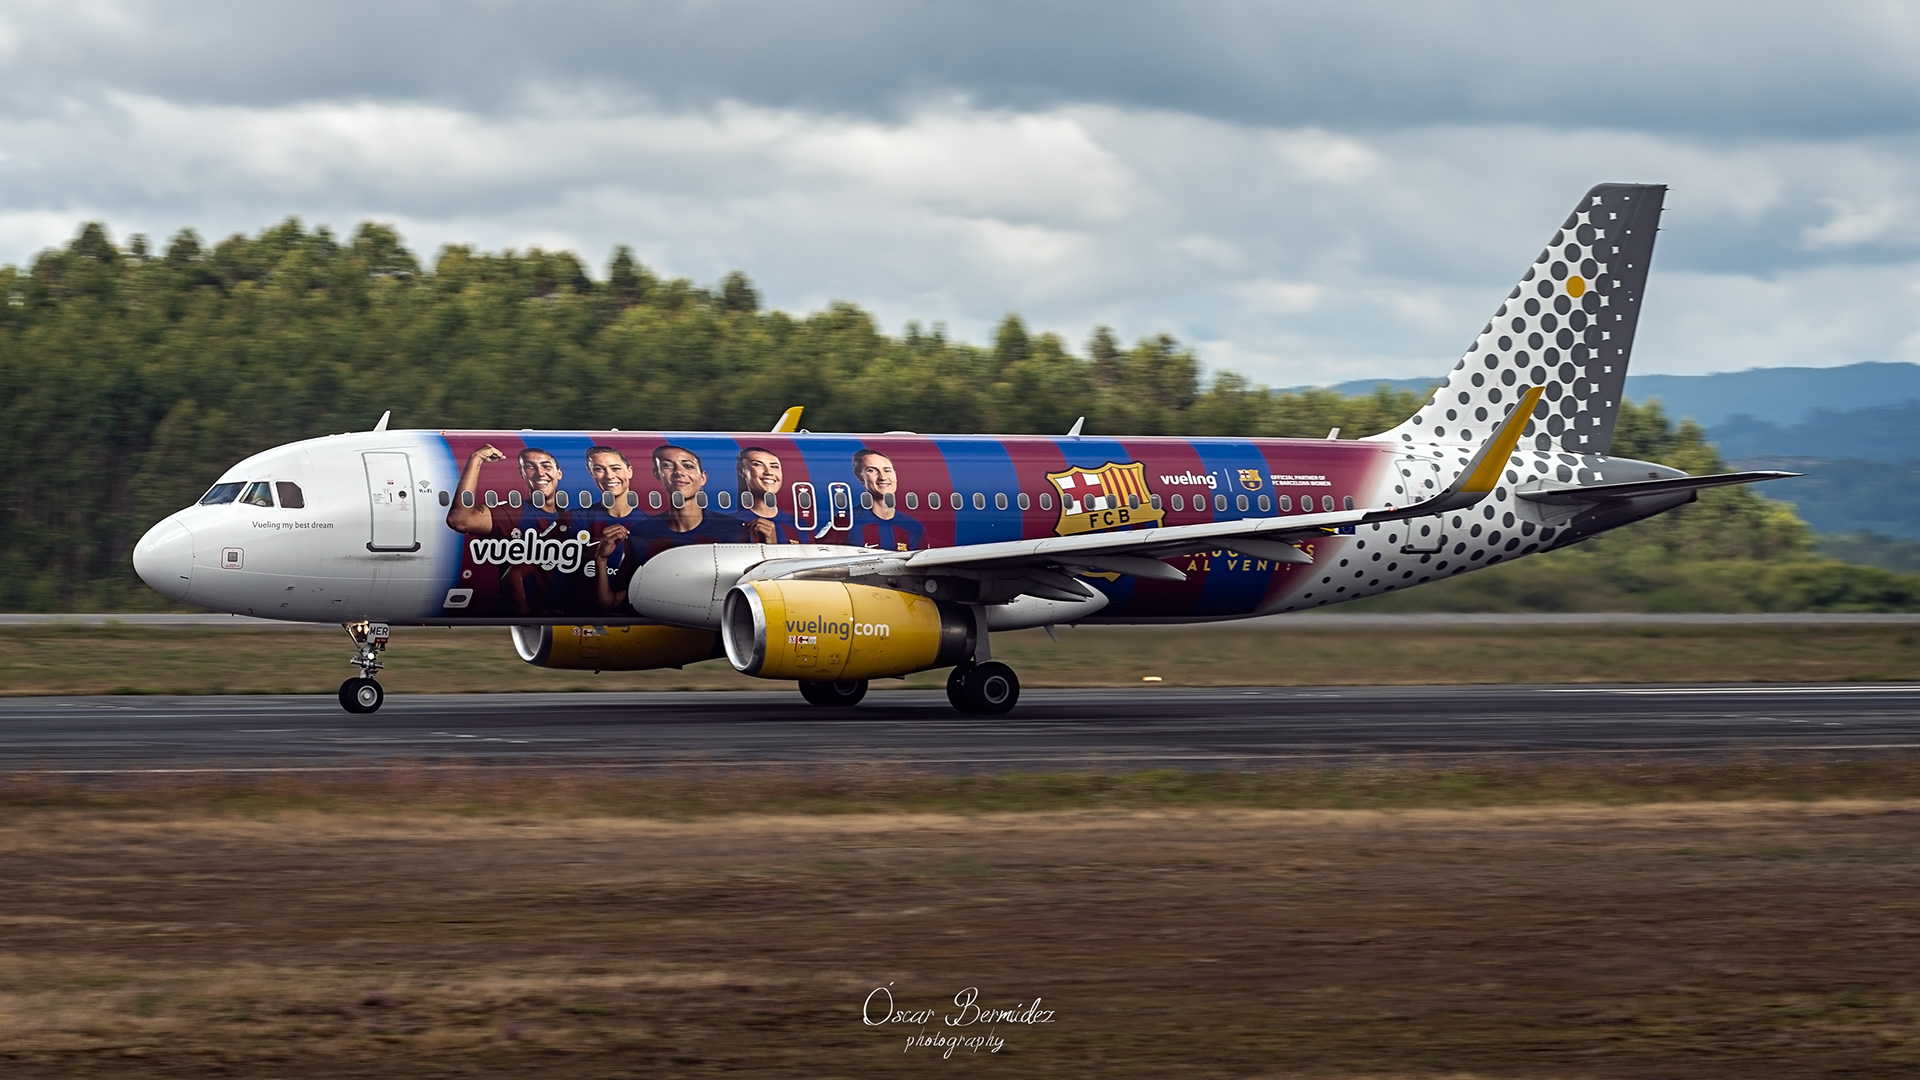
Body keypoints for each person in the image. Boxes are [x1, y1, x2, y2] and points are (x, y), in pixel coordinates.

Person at [445, 444, 573, 615]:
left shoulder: (574, 519)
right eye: (530, 467)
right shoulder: (515, 513)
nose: (540, 473)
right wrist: (475, 459)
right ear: (522, 474)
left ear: (559, 472)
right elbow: (460, 520)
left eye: (546, 466)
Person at [849, 448, 925, 551]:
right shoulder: (847, 523)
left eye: (887, 470)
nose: (883, 477)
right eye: (872, 470)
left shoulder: (913, 527)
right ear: (859, 476)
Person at [736, 445, 807, 544]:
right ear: (741, 471)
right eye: (758, 464)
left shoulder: (798, 524)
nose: (768, 472)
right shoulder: (733, 523)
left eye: (774, 466)